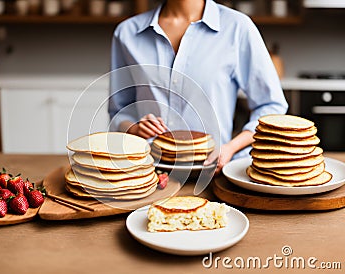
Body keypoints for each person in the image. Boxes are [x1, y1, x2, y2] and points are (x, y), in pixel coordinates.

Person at [108, 0, 288, 173]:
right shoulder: (127, 33)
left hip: (213, 174)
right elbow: (119, 110)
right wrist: (134, 128)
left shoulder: (237, 27)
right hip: (149, 175)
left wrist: (231, 148)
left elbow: (271, 106)